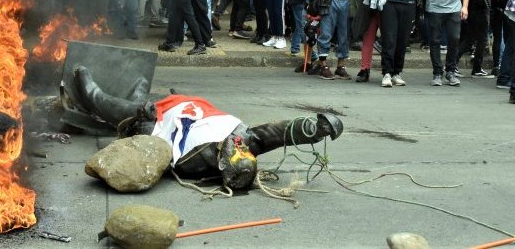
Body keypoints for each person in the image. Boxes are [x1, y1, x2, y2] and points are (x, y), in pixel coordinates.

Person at [68, 66, 342, 190]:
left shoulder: (193, 165)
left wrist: (143, 119)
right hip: (191, 105)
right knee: (148, 98)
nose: (239, 147)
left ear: (223, 165)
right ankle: (140, 91)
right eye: (244, 151)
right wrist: (315, 129)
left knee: (124, 107)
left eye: (236, 154)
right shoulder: (244, 142)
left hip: (162, 120)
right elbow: (276, 134)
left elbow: (158, 151)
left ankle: (95, 94)